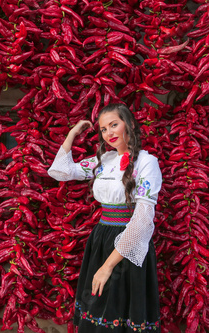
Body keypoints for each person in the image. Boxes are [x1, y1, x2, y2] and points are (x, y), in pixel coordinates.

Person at [48, 103, 162, 332]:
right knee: (99, 309)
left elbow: (141, 222)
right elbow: (60, 171)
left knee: (120, 308)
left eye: (113, 125)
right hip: (101, 239)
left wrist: (108, 266)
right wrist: (73, 133)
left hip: (129, 243)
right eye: (103, 129)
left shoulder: (147, 163)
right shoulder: (104, 161)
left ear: (128, 124)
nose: (109, 133)